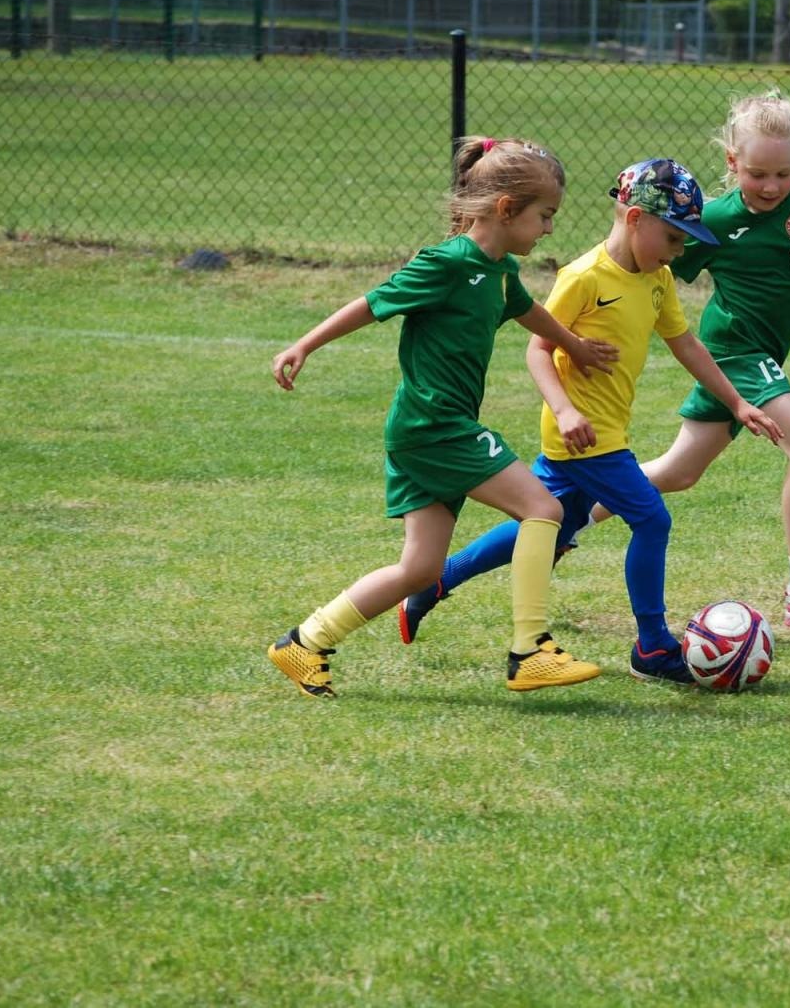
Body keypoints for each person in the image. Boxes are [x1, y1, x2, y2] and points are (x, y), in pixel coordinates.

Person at [396, 158, 783, 685]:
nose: (677, 253)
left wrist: (737, 403)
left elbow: (686, 343)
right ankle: (652, 648)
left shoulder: (658, 280)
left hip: (604, 432)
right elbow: (538, 350)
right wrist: (565, 408)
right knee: (652, 519)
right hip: (582, 434)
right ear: (634, 219)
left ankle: (437, 581)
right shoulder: (583, 277)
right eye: (672, 238)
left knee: (554, 528)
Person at [264, 136, 618, 697]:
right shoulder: (448, 263)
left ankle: (304, 644)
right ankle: (530, 649)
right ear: (506, 210)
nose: (549, 229)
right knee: (543, 507)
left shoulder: (499, 270)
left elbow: (527, 312)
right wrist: (304, 345)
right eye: (544, 216)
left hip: (426, 432)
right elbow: (374, 302)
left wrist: (573, 345)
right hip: (435, 426)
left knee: (421, 571)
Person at [583, 91, 790, 629]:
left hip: (746, 360)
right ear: (732, 163)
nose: (770, 187)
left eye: (783, 174)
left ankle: (571, 519)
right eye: (757, 173)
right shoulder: (713, 218)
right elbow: (647, 259)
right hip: (735, 351)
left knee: (679, 471)